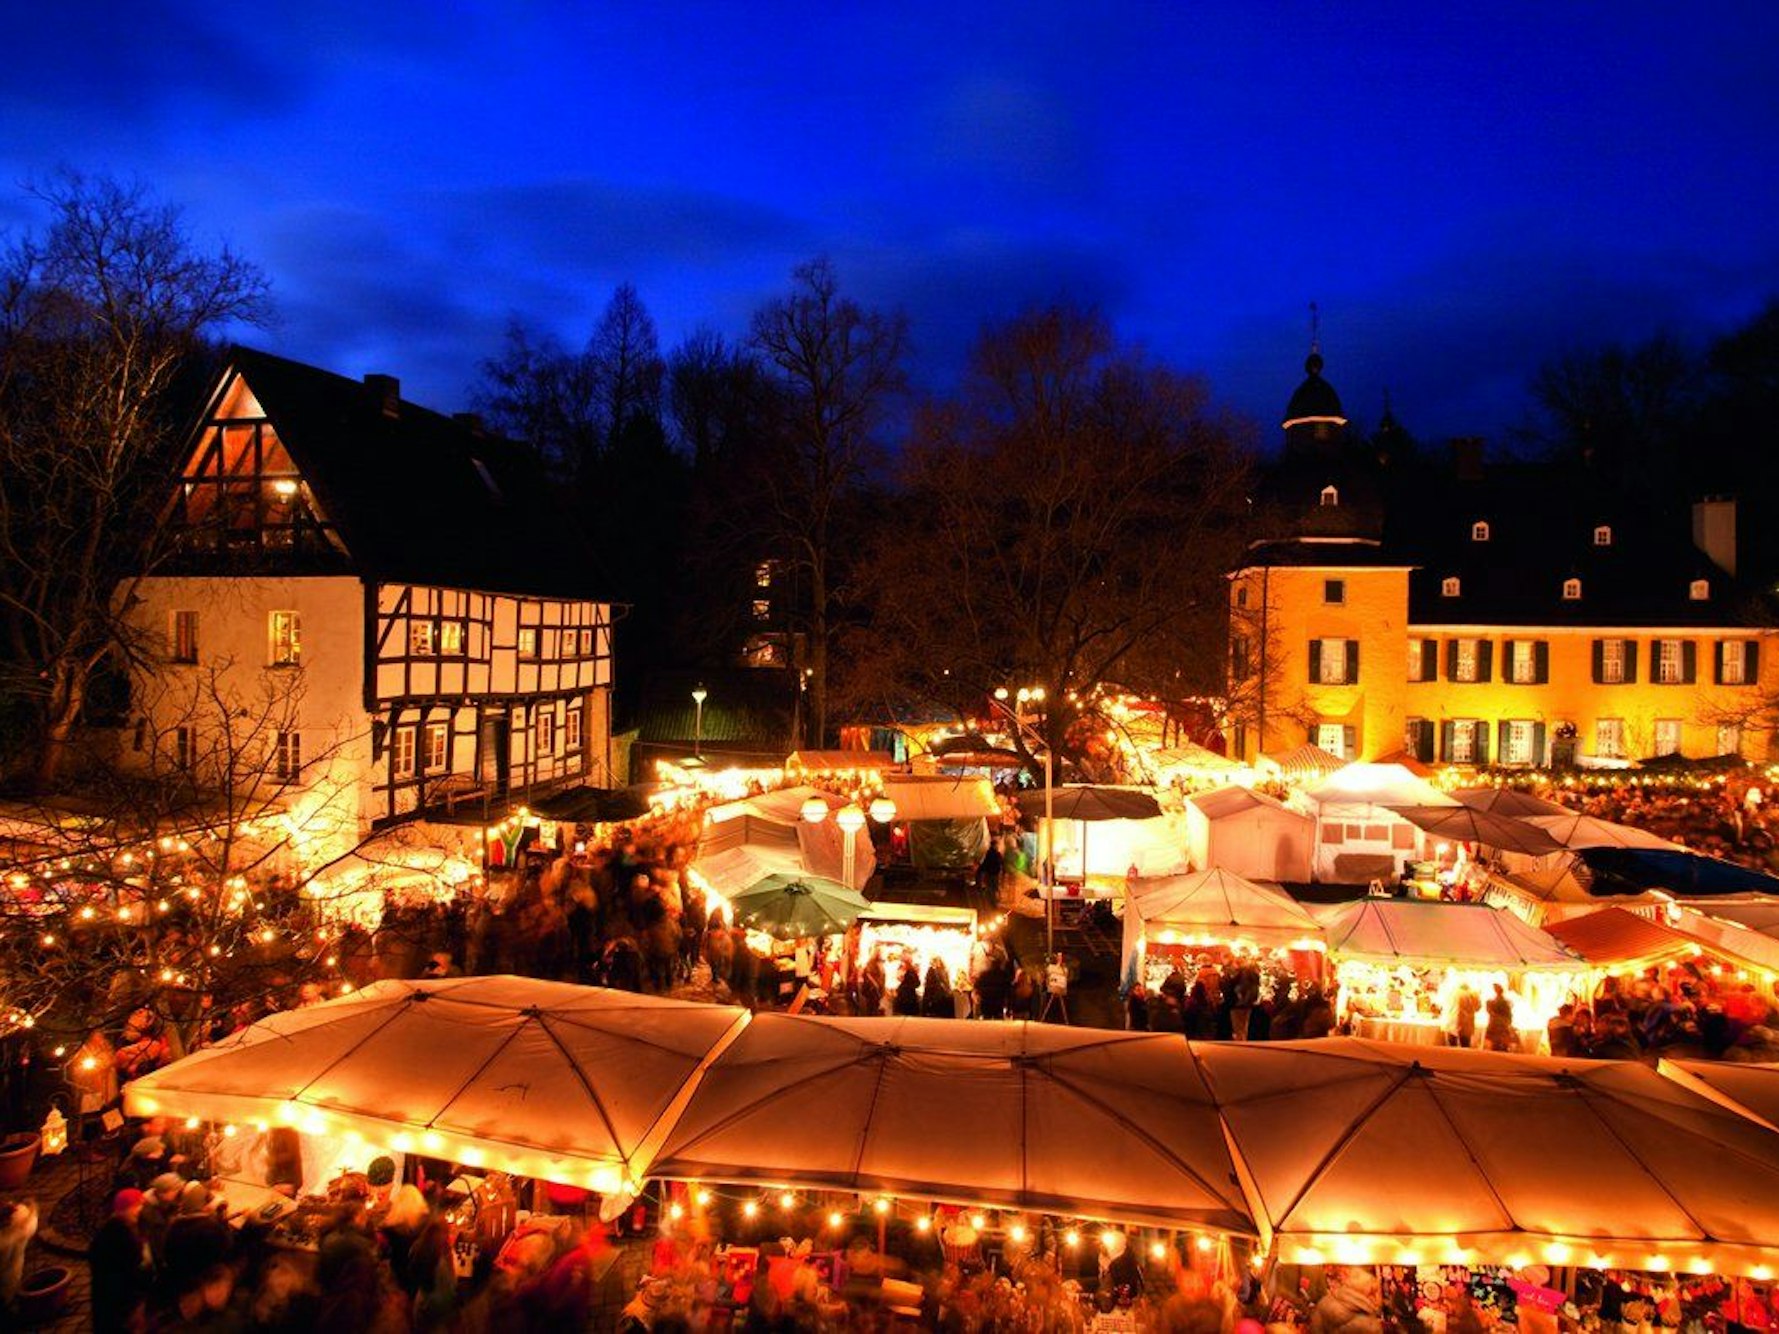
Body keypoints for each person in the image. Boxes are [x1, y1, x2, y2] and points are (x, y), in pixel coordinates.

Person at [90, 1188, 151, 1333]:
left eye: (140, 1206)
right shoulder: (116, 1234)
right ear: (122, 1209)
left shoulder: (125, 1226)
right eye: (135, 1206)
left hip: (119, 1293)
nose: (139, 1210)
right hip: (117, 1297)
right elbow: (127, 1269)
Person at [1445, 981, 1481, 1049]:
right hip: (1465, 1023)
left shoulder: (1451, 993)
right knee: (1465, 1046)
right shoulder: (1472, 994)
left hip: (1451, 1022)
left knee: (1451, 1047)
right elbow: (1478, 1008)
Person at [1484, 983, 1516, 1052]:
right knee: (1501, 1042)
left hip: (1496, 1024)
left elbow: (1490, 1011)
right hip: (1501, 1024)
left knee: (1496, 1043)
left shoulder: (1495, 1002)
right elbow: (1509, 1014)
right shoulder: (1504, 1001)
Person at [1040, 953, 1070, 1024]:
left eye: (1061, 957)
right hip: (1052, 988)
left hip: (1058, 988)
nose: (1060, 959)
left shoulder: (1064, 969)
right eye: (1059, 957)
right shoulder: (1051, 967)